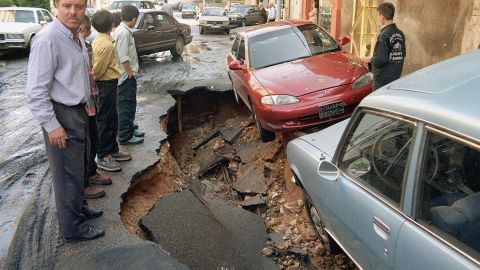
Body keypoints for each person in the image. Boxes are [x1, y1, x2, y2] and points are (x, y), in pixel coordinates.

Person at [26, 0, 105, 242]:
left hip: (78, 110)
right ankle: (73, 228)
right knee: (67, 175)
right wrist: (52, 126)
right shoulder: (48, 39)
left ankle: (79, 210)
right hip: (61, 114)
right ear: (56, 6)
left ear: (85, 8)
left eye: (79, 6)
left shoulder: (75, 36)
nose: (73, 11)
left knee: (78, 168)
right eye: (67, 5)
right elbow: (36, 91)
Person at [92, 10, 133, 172]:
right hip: (104, 85)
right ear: (112, 25)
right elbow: (97, 71)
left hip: (108, 85)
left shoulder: (102, 40)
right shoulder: (106, 44)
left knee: (112, 118)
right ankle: (102, 155)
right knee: (105, 121)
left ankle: (112, 150)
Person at [79, 15, 112, 199]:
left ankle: (91, 172)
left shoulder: (85, 46)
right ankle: (83, 184)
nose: (84, 34)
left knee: (93, 139)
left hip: (91, 102)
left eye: (84, 31)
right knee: (82, 146)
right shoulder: (68, 46)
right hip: (80, 106)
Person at [113, 5, 145, 145]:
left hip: (126, 75)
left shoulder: (122, 30)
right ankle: (125, 136)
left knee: (130, 104)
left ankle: (130, 128)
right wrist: (130, 73)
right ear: (133, 19)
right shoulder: (124, 33)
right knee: (126, 105)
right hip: (126, 76)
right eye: (136, 19)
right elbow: (123, 56)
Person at [363, 2, 406, 90]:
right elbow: (402, 54)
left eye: (378, 16)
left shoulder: (384, 35)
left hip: (382, 81)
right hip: (396, 77)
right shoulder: (400, 33)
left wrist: (370, 59)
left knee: (377, 102)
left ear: (382, 17)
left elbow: (379, 60)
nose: (378, 18)